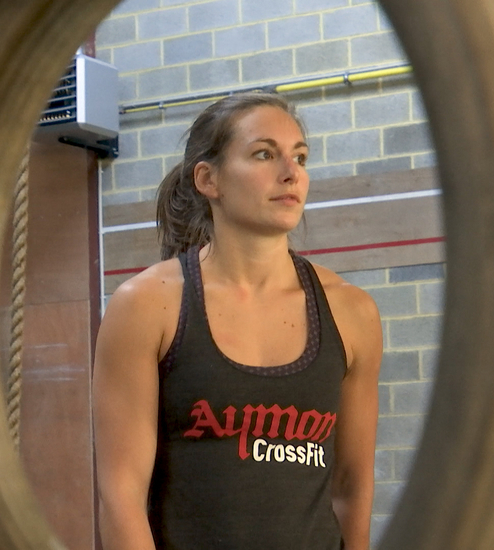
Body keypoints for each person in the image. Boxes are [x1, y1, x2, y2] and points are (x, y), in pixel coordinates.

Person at [92, 92, 382, 550]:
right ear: (209, 179)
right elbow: (120, 494)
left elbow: (352, 486)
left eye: (300, 157)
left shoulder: (352, 311)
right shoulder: (147, 305)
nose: (292, 173)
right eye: (264, 154)